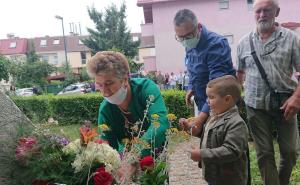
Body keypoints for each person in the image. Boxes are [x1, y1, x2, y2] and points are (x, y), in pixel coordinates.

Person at [236, 0, 300, 185]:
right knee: (264, 154)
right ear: (254, 13)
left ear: (277, 12)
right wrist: (233, 98)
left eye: (267, 10)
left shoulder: (291, 38)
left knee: (290, 152)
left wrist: (297, 98)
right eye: (258, 11)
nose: (262, 15)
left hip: (287, 103)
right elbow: (239, 74)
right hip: (255, 105)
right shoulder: (243, 43)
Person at [86, 51, 170, 180]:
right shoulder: (105, 110)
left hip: (155, 151)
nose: (104, 92)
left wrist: (134, 157)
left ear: (125, 79)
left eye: (109, 83)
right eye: (99, 85)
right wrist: (115, 169)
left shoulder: (146, 89)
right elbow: (108, 148)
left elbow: (161, 124)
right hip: (125, 157)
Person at [174, 9, 236, 136]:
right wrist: (191, 87)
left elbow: (218, 88)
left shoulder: (216, 44)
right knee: (208, 146)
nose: (186, 41)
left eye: (189, 36)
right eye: (181, 38)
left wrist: (199, 121)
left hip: (222, 107)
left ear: (199, 27)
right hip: (203, 103)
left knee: (226, 147)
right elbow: (192, 69)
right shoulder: (189, 44)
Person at [189, 75, 249, 185]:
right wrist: (192, 129)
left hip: (229, 179)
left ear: (227, 99)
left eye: (211, 97)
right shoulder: (215, 116)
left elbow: (231, 151)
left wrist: (202, 154)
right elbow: (211, 134)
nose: (207, 101)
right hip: (215, 176)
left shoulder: (236, 123)